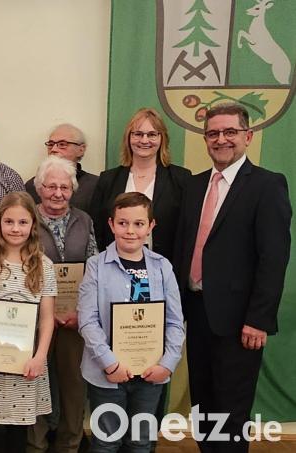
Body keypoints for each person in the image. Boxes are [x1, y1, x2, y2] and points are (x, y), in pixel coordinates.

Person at [174, 103, 291, 453]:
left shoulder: (267, 185)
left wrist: (258, 319)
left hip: (240, 322)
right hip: (195, 312)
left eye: (230, 132)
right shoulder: (193, 187)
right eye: (213, 133)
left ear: (248, 136)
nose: (221, 139)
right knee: (204, 409)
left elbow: (274, 258)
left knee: (231, 413)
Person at [78, 192, 184, 453]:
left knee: (140, 441)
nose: (130, 231)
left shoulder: (162, 267)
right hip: (107, 374)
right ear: (112, 224)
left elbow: (175, 321)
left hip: (151, 374)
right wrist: (110, 363)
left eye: (138, 224)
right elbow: (87, 321)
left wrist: (167, 364)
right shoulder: (95, 266)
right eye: (123, 223)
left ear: (150, 226)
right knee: (106, 441)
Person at [0, 191, 56, 453]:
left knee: (18, 435)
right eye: (9, 222)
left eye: (22, 222)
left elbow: (47, 318)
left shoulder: (43, 265)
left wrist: (40, 357)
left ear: (33, 225)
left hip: (26, 365)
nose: (15, 229)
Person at [27, 155, 97, 453]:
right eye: (51, 186)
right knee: (35, 384)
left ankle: (69, 445)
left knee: (73, 388)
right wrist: (45, 313)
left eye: (65, 187)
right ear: (39, 188)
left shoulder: (85, 220)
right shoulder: (25, 219)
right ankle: (36, 445)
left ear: (73, 190)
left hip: (74, 319)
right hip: (34, 319)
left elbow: (94, 267)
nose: (58, 193)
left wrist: (82, 313)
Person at [90, 108, 191, 261]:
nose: (144, 140)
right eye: (138, 134)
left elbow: (186, 230)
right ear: (128, 138)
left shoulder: (180, 179)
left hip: (164, 267)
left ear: (162, 138)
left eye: (152, 134)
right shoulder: (108, 180)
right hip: (115, 265)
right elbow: (97, 228)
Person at [25, 123, 98, 215]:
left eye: (62, 144)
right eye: (51, 144)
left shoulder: (96, 185)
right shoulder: (33, 185)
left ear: (81, 149)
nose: (54, 149)